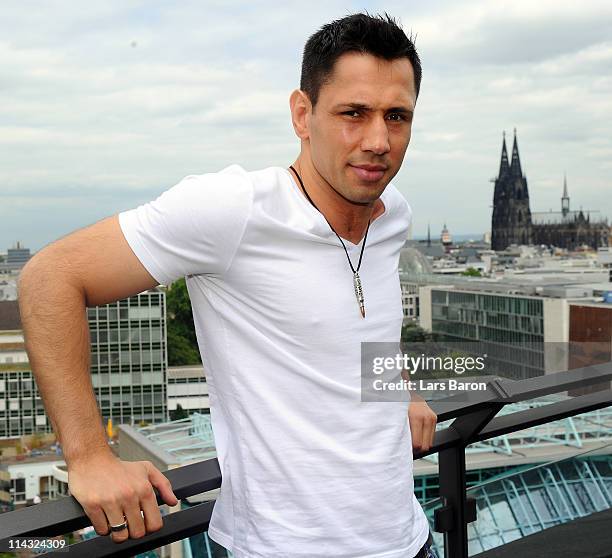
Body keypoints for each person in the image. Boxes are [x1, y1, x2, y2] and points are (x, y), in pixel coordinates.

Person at [18, 12, 438, 558]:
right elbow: (49, 277)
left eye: (397, 116)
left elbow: (361, 321)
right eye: (353, 114)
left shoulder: (391, 215)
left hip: (409, 537)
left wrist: (396, 388)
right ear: (302, 114)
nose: (379, 140)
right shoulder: (233, 209)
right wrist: (89, 456)